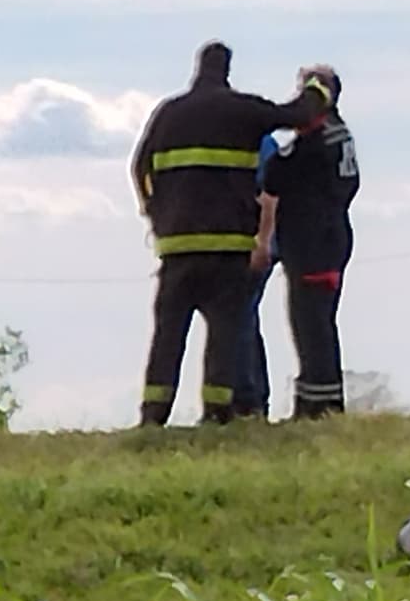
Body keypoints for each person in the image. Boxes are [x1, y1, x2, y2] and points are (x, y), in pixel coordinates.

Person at [129, 43, 310, 427]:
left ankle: (153, 414)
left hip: (177, 247)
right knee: (225, 335)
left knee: (168, 336)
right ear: (227, 70)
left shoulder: (169, 113)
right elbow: (296, 115)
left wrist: (154, 212)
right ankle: (217, 412)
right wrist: (319, 88)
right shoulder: (243, 111)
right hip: (228, 247)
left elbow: (139, 166)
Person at [260, 66, 363, 420]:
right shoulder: (340, 133)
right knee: (320, 322)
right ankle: (324, 401)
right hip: (331, 235)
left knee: (310, 324)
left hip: (311, 241)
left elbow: (275, 174)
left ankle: (316, 407)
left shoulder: (316, 139)